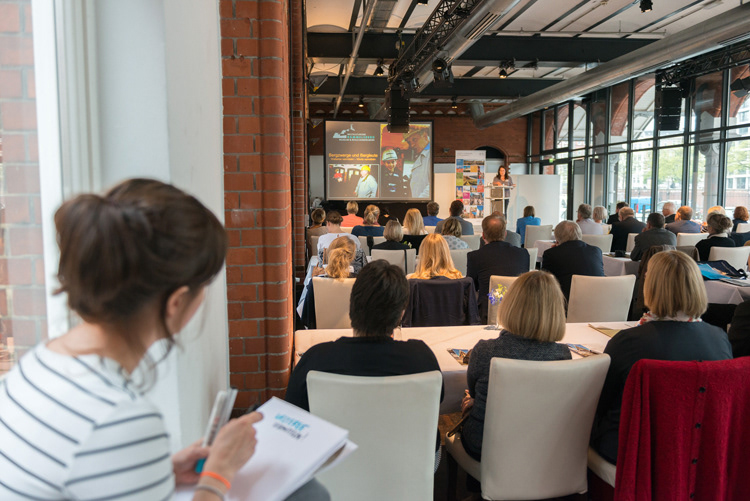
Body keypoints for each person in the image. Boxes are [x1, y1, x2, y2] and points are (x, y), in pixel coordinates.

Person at [0, 179, 263, 500]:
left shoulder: (39, 362)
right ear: (176, 302)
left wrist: (159, 472)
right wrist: (219, 473)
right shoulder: (119, 419)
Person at [286, 260, 444, 466]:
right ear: (401, 313)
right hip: (408, 468)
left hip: (335, 471)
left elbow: (292, 419)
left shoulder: (315, 360)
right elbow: (436, 401)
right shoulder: (422, 359)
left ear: (351, 305)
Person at [591, 251, 733, 465]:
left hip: (633, 452)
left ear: (651, 286)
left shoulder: (628, 343)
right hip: (695, 453)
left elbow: (599, 404)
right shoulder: (720, 339)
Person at [460, 271, 572, 461]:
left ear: (511, 305)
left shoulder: (485, 351)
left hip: (484, 447)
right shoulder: (562, 356)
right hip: (541, 447)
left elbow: (474, 392)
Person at [467, 215, 529, 323]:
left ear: (483, 235)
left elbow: (472, 287)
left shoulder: (475, 256)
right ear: (505, 234)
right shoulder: (523, 254)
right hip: (519, 314)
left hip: (486, 315)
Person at [541, 221, 604, 303]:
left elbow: (545, 284)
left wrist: (554, 251)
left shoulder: (551, 254)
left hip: (565, 305)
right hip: (597, 302)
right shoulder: (596, 251)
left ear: (557, 238)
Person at [302, 236, 358, 329]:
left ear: (330, 253)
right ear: (352, 256)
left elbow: (307, 318)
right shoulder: (361, 282)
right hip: (354, 334)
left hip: (321, 335)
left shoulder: (315, 282)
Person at [404, 128, 431, 198]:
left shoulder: (430, 155)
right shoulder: (421, 154)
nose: (412, 145)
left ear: (425, 136)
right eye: (409, 142)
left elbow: (432, 184)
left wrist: (419, 200)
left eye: (414, 140)